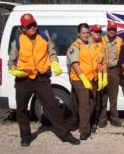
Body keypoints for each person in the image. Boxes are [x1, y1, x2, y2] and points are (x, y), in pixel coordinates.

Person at [8, 13, 80, 147]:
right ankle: (25, 136)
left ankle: (65, 135)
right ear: (23, 29)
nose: (32, 27)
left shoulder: (44, 37)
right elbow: (11, 61)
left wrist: (55, 63)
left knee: (53, 107)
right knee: (22, 109)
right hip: (24, 79)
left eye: (33, 24)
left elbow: (52, 52)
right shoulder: (17, 42)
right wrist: (13, 70)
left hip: (42, 78)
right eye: (28, 26)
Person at [67, 23, 105, 140]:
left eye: (87, 33)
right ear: (79, 33)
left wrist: (100, 76)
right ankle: (84, 130)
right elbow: (74, 64)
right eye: (83, 33)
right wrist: (83, 78)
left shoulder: (91, 46)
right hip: (80, 79)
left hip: (92, 78)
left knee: (92, 103)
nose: (86, 35)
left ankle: (80, 124)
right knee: (85, 104)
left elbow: (97, 62)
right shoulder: (75, 46)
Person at [99, 21, 123, 127]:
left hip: (114, 71)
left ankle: (114, 118)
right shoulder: (101, 39)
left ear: (116, 31)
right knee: (103, 96)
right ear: (107, 30)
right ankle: (102, 118)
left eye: (113, 29)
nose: (111, 31)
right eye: (110, 29)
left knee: (113, 96)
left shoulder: (120, 41)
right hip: (102, 70)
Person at [88, 24, 108, 130]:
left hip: (99, 77)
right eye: (96, 31)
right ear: (91, 32)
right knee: (90, 100)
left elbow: (104, 62)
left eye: (100, 32)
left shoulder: (101, 45)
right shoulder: (86, 44)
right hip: (89, 77)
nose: (98, 33)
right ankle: (89, 122)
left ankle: (95, 121)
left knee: (99, 100)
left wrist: (104, 78)